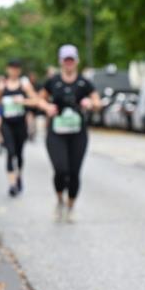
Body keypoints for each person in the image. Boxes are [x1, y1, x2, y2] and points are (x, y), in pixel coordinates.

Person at [39, 45, 101, 222]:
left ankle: (70, 206)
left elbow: (97, 101)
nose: (69, 63)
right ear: (60, 61)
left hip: (77, 134)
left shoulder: (84, 83)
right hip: (56, 133)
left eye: (71, 60)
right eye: (65, 60)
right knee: (60, 169)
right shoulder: (53, 82)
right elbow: (39, 98)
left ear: (76, 61)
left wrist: (91, 103)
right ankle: (59, 200)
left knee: (74, 172)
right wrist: (47, 107)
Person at [0, 60, 40, 197]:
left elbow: (36, 101)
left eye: (16, 69)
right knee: (10, 152)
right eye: (11, 68)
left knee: (19, 154)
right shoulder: (2, 85)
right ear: (7, 69)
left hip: (20, 123)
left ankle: (19, 175)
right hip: (6, 123)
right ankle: (12, 184)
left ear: (19, 70)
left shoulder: (24, 85)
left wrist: (22, 101)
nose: (13, 71)